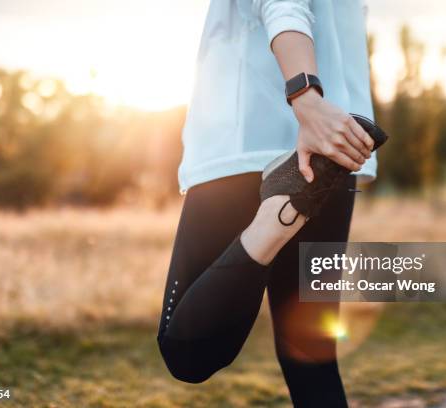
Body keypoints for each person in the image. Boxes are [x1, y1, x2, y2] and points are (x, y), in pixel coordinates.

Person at [156, 1, 384, 406]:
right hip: (335, 147)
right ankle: (284, 210)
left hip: (245, 139)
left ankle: (270, 224)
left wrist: (306, 99)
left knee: (185, 352)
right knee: (311, 360)